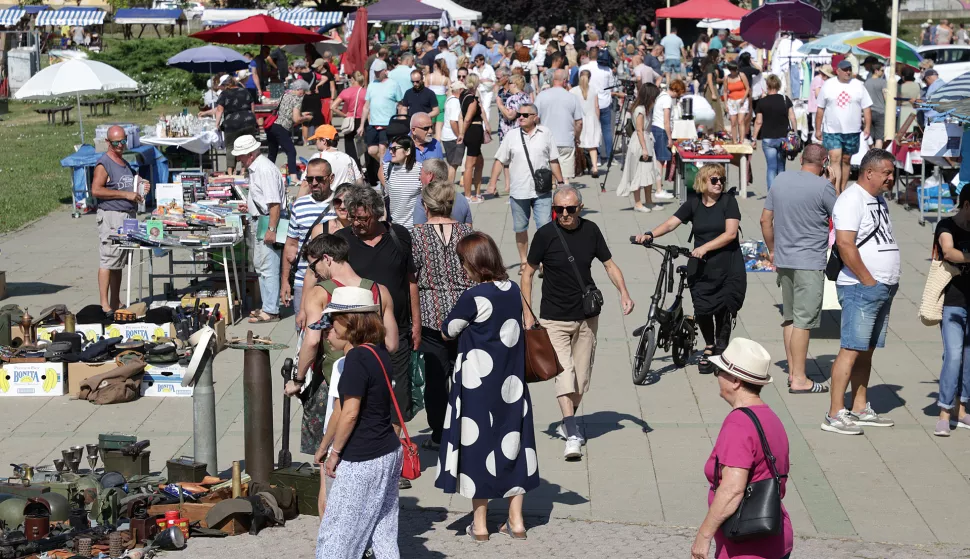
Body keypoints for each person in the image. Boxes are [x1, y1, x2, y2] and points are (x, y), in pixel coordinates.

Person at [438, 232, 539, 540]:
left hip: (476, 387)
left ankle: (480, 525)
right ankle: (516, 521)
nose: (461, 267)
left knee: (477, 447)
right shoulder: (511, 290)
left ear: (473, 263)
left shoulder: (473, 297)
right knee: (515, 445)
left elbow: (447, 330)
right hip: (511, 383)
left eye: (462, 261)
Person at [523, 187, 634, 459]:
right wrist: (527, 314)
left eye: (570, 209)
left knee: (581, 380)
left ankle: (565, 420)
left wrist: (624, 293)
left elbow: (609, 265)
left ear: (580, 208)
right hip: (553, 319)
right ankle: (572, 433)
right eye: (558, 209)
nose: (564, 214)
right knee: (564, 375)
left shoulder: (592, 231)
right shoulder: (545, 235)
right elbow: (527, 274)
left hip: (586, 318)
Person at [312, 287, 403, 559]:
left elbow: (349, 412)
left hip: (363, 458)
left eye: (333, 322)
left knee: (338, 536)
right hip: (388, 452)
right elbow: (340, 409)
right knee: (383, 533)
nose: (328, 331)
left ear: (349, 323)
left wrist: (335, 453)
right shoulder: (377, 352)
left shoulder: (355, 360)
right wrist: (324, 446)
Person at [636, 164, 746, 374]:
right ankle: (709, 345)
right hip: (702, 265)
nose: (719, 183)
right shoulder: (693, 203)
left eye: (721, 179)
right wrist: (650, 234)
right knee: (702, 309)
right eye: (714, 180)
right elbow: (670, 224)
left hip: (728, 264)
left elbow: (731, 234)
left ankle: (721, 348)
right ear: (703, 182)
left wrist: (704, 247)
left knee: (724, 307)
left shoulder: (728, 202)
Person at [691, 338, 793, 559]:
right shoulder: (770, 417)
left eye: (719, 371)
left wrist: (704, 535)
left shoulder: (739, 424)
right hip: (775, 537)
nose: (717, 377)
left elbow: (732, 489)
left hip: (747, 548)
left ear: (735, 380)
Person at [335, 186, 420, 450]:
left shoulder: (399, 236)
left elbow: (411, 281)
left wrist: (416, 323)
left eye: (363, 218)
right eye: (353, 217)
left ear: (377, 213)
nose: (357, 223)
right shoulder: (342, 240)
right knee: (360, 395)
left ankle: (393, 456)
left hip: (398, 331)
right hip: (357, 335)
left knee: (398, 396)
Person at [823, 149, 900, 435]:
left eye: (891, 173)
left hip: (882, 286)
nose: (891, 178)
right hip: (860, 287)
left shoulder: (878, 200)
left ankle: (859, 407)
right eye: (887, 173)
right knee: (850, 349)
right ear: (869, 173)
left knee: (865, 351)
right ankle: (834, 414)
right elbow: (844, 244)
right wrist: (868, 279)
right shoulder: (851, 199)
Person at [759, 144, 835, 394]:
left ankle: (793, 372)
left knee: (790, 318)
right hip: (809, 262)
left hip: (785, 258)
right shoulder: (824, 187)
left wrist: (772, 250)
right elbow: (842, 216)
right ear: (824, 163)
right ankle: (800, 378)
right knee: (804, 321)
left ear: (801, 159)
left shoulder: (780, 180)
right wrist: (834, 184)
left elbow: (765, 219)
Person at [411, 181, 475, 450]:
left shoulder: (415, 236)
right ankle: (469, 428)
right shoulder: (468, 232)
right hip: (466, 312)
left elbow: (411, 280)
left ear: (425, 206)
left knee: (436, 378)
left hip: (429, 313)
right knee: (468, 374)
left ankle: (440, 433)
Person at [487, 104, 565, 271]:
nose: (520, 117)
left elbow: (553, 160)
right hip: (519, 191)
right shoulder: (511, 136)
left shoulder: (545, 134)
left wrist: (561, 182)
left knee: (544, 227)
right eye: (519, 115)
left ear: (535, 117)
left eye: (524, 115)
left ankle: (543, 261)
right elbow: (500, 160)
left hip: (542, 190)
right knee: (520, 228)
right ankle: (524, 261)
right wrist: (492, 183)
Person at [91, 125, 149, 314]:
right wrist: (125, 195)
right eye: (116, 142)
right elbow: (96, 190)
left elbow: (129, 188)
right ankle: (104, 304)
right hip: (112, 216)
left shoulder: (125, 162)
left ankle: (115, 301)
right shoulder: (104, 163)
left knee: (120, 260)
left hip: (127, 217)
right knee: (108, 259)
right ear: (108, 142)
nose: (120, 145)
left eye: (123, 141)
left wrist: (141, 186)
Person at [234, 135, 286, 324]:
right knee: (262, 265)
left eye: (240, 155)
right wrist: (250, 206)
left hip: (267, 221)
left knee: (268, 265)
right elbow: (265, 200)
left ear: (249, 154)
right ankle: (268, 306)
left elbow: (274, 204)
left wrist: (271, 228)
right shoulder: (257, 168)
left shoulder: (263, 169)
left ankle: (271, 310)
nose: (238, 159)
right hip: (261, 218)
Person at [932, 187, 970, 436]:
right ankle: (944, 413)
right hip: (953, 302)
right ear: (967, 205)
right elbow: (948, 252)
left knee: (969, 360)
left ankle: (963, 410)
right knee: (954, 356)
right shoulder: (947, 226)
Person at [281, 158, 336, 321]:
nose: (314, 183)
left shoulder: (340, 205)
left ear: (330, 178)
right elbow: (291, 245)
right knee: (303, 332)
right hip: (302, 281)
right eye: (309, 179)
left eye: (319, 179)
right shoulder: (299, 206)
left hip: (333, 281)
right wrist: (285, 281)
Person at [815, 59, 873, 195]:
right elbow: (820, 109)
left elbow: (867, 108)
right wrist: (818, 129)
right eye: (845, 70)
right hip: (832, 130)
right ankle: (835, 192)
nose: (848, 72)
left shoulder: (858, 85)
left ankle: (842, 189)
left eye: (849, 69)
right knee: (835, 158)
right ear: (838, 71)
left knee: (846, 160)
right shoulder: (828, 85)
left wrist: (868, 127)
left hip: (852, 130)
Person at [535, 69, 584, 186]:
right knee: (565, 178)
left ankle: (551, 199)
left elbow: (534, 117)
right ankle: (565, 199)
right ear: (565, 81)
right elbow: (579, 123)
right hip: (566, 140)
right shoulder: (572, 97)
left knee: (548, 175)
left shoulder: (542, 96)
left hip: (546, 140)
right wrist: (577, 137)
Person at [617, 83, 660, 213]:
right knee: (637, 172)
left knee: (649, 171)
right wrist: (645, 149)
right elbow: (640, 130)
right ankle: (638, 202)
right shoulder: (640, 110)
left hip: (646, 141)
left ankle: (649, 201)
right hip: (640, 143)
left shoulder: (645, 108)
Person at [358, 61, 404, 181]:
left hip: (388, 124)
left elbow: (400, 105)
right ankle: (389, 166)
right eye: (375, 72)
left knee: (383, 149)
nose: (377, 74)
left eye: (379, 72)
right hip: (373, 124)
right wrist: (362, 125)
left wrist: (401, 121)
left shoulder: (393, 84)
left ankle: (385, 179)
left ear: (385, 71)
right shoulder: (372, 85)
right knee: (371, 150)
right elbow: (366, 106)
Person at [752, 74, 797, 192]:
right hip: (784, 138)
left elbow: (758, 122)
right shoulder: (785, 99)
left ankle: (772, 194)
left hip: (768, 139)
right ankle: (781, 192)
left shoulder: (762, 102)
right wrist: (795, 134)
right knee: (781, 166)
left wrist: (754, 138)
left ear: (767, 85)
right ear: (779, 85)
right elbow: (792, 118)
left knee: (771, 167)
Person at [203, 77, 257, 174]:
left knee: (231, 147)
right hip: (248, 121)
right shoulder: (245, 91)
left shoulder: (224, 94)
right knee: (247, 146)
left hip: (232, 123)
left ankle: (230, 171)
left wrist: (217, 124)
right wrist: (252, 120)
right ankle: (244, 170)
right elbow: (252, 108)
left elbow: (219, 110)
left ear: (226, 85)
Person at [267, 80, 313, 184]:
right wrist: (306, 118)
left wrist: (302, 113)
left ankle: (267, 175)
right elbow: (296, 119)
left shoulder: (284, 94)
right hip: (282, 127)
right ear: (300, 90)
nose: (303, 94)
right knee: (291, 151)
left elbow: (284, 110)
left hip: (272, 126)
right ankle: (293, 177)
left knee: (272, 153)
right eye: (304, 92)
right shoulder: (297, 99)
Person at [582, 49, 618, 166]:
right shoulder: (607, 70)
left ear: (588, 55)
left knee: (592, 131)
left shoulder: (583, 68)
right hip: (604, 102)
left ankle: (595, 157)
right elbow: (612, 86)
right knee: (607, 131)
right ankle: (609, 157)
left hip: (589, 103)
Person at [412, 158, 473, 226]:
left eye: (421, 173)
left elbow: (419, 231)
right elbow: (469, 230)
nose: (419, 177)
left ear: (430, 175)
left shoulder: (423, 200)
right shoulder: (462, 199)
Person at [651, 79, 684, 201]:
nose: (678, 96)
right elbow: (666, 121)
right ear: (676, 90)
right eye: (679, 93)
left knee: (660, 160)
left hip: (657, 128)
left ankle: (659, 187)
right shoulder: (667, 99)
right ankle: (659, 189)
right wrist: (670, 138)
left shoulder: (661, 95)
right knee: (660, 161)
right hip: (661, 130)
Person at [304, 125, 364, 192]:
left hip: (325, 199)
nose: (315, 142)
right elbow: (359, 182)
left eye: (316, 139)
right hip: (345, 199)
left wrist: (298, 201)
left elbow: (305, 184)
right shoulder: (348, 158)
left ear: (324, 141)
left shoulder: (317, 158)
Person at [382, 136, 424, 229]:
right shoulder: (387, 168)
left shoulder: (420, 170)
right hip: (394, 228)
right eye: (390, 149)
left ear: (408, 151)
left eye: (394, 149)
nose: (390, 152)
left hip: (415, 229)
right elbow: (386, 198)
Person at [459, 74, 486, 203]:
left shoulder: (463, 96)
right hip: (473, 132)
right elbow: (468, 118)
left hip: (473, 132)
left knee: (479, 161)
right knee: (470, 164)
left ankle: (477, 191)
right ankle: (468, 195)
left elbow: (461, 116)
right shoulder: (472, 100)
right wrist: (462, 133)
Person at [571, 69, 603, 178]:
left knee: (577, 143)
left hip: (578, 119)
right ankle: (594, 167)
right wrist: (597, 120)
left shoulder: (573, 91)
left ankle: (576, 167)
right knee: (592, 145)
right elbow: (597, 107)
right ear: (589, 78)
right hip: (592, 118)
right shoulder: (593, 90)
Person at [332, 71, 366, 164]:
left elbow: (333, 107)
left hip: (350, 120)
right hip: (363, 120)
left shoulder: (346, 91)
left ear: (352, 80)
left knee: (349, 144)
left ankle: (355, 166)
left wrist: (344, 115)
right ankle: (367, 167)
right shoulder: (365, 92)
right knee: (365, 145)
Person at [441, 81, 466, 182]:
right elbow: (453, 121)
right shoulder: (455, 102)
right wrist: (459, 135)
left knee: (452, 164)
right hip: (452, 136)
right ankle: (449, 188)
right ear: (460, 90)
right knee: (453, 165)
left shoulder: (450, 99)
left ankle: (448, 188)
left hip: (447, 135)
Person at [721, 62, 750, 144]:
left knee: (741, 121)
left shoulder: (741, 75)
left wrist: (744, 99)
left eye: (736, 69)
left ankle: (741, 140)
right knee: (733, 122)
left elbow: (747, 88)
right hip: (732, 101)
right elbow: (725, 92)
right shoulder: (726, 78)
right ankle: (734, 140)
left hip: (742, 100)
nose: (736, 71)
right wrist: (725, 103)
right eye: (734, 70)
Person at [496, 74, 531, 141]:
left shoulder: (513, 99)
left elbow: (510, 115)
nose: (508, 86)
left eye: (509, 83)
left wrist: (500, 104)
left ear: (514, 84)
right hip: (525, 132)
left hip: (513, 134)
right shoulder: (527, 97)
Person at [864, 62, 888, 148]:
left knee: (869, 138)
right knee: (879, 138)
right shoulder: (883, 82)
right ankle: (877, 157)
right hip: (880, 112)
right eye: (882, 70)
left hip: (868, 112)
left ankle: (871, 156)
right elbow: (886, 97)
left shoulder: (866, 82)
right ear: (876, 71)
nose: (883, 72)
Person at [807, 65, 832, 142]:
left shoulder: (817, 79)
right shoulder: (818, 80)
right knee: (818, 125)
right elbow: (818, 94)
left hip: (816, 106)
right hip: (817, 107)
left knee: (818, 125)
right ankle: (816, 143)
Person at [427, 59, 451, 139]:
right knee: (439, 128)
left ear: (435, 65)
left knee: (430, 126)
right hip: (442, 101)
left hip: (431, 101)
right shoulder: (446, 78)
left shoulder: (429, 76)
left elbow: (425, 90)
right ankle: (438, 145)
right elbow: (450, 92)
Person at [702, 51, 724, 135]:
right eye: (717, 56)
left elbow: (710, 80)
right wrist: (713, 93)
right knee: (714, 109)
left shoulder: (711, 66)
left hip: (711, 88)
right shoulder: (710, 66)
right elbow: (710, 80)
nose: (719, 57)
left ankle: (711, 130)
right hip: (712, 89)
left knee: (713, 109)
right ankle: (711, 130)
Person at [311, 58, 336, 126]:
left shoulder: (329, 74)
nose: (316, 68)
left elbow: (332, 88)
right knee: (318, 118)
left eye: (317, 66)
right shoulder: (315, 74)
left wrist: (332, 99)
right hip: (316, 99)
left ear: (321, 66)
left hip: (326, 98)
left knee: (326, 118)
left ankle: (326, 133)